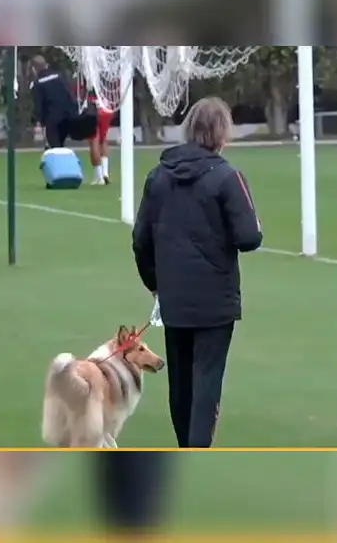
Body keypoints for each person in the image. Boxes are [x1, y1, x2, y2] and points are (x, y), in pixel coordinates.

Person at [132, 96, 263, 448]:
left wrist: (156, 285)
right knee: (206, 381)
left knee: (181, 382)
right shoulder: (228, 177)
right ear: (222, 133)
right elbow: (250, 238)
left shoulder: (157, 177)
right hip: (214, 300)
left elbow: (140, 240)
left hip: (174, 297)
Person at [29, 55, 76, 149]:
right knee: (60, 144)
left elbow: (39, 104)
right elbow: (68, 94)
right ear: (46, 65)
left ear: (34, 69)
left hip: (52, 118)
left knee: (54, 146)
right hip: (66, 116)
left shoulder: (38, 83)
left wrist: (38, 121)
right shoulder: (59, 76)